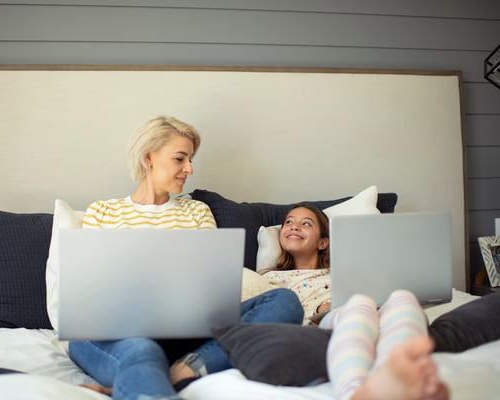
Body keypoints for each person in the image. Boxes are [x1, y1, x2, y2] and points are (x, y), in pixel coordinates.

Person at [68, 115, 304, 400]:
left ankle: (177, 372)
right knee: (142, 350)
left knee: (283, 301)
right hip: (115, 331)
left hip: (186, 332)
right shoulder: (102, 212)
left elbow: (211, 285)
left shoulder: (197, 212)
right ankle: (149, 376)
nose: (189, 169)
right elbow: (92, 291)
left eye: (191, 159)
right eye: (180, 159)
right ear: (149, 157)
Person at [257, 203, 449, 399]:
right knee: (358, 304)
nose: (294, 226)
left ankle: (397, 376)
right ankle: (355, 393)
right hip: (325, 318)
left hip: (372, 313)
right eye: (288, 222)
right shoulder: (270, 278)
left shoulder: (344, 272)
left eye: (306, 223)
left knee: (404, 298)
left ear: (323, 242)